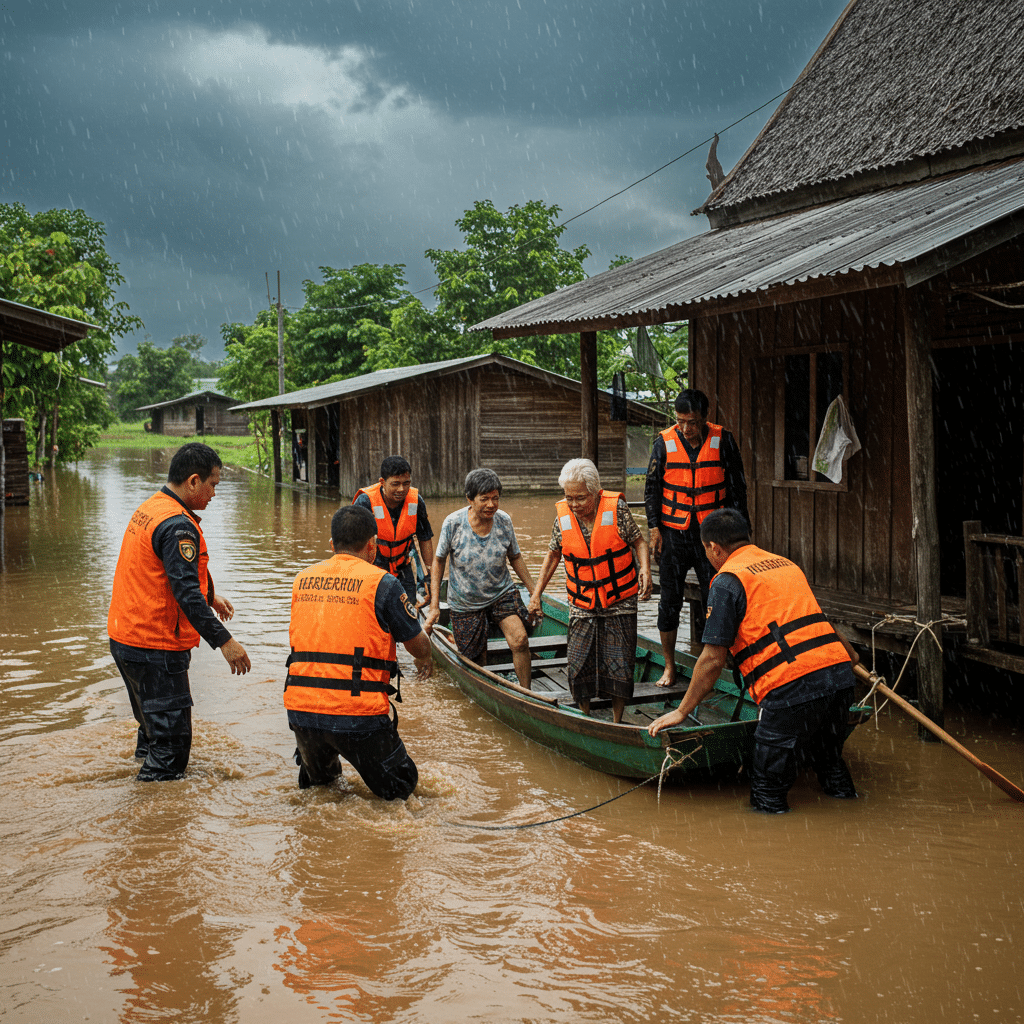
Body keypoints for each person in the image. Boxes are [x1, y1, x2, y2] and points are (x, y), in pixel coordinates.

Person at [647, 508, 859, 814]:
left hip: (791, 687)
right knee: (829, 763)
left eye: (707, 551)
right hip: (838, 679)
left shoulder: (727, 580)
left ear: (713, 548)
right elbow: (818, 617)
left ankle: (769, 847)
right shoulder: (785, 564)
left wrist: (682, 711)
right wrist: (849, 656)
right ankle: (851, 820)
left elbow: (712, 660)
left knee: (767, 793)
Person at [108, 442, 251, 782]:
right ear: (193, 481)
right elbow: (185, 591)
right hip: (155, 646)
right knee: (172, 749)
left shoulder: (152, 507)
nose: (214, 493)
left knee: (153, 733)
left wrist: (211, 595)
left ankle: (142, 782)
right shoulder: (179, 526)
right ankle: (155, 827)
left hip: (126, 639)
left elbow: (167, 572)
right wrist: (224, 641)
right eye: (213, 484)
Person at [284, 504, 433, 799]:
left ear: (332, 545)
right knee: (401, 792)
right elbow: (417, 646)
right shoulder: (383, 583)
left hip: (302, 710)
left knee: (322, 792)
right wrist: (427, 653)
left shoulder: (302, 579)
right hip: (357, 713)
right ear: (372, 546)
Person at [527, 459, 652, 723]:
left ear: (596, 491)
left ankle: (617, 720)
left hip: (619, 599)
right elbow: (552, 556)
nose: (574, 504)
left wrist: (645, 570)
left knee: (619, 661)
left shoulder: (616, 508)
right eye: (569, 497)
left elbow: (639, 541)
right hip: (582, 600)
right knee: (579, 662)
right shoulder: (563, 515)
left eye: (580, 498)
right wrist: (536, 594)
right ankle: (585, 717)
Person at [645, 387, 748, 688]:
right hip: (673, 535)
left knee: (716, 599)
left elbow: (737, 489)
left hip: (712, 538)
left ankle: (714, 662)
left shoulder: (723, 440)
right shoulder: (663, 443)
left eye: (692, 422)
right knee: (669, 602)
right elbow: (651, 489)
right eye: (681, 422)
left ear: (704, 419)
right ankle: (668, 665)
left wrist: (739, 536)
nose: (686, 429)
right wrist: (654, 528)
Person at [423, 468, 537, 690]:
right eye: (484, 499)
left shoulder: (503, 521)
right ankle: (488, 693)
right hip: (465, 601)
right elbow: (438, 562)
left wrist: (535, 592)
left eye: (495, 498)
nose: (491, 505)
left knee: (520, 640)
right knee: (477, 660)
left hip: (500, 592)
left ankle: (527, 694)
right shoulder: (453, 523)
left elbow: (515, 557)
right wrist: (435, 606)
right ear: (469, 499)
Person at [352, 455, 434, 606]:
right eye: (395, 484)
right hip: (374, 568)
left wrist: (429, 577)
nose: (401, 489)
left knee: (407, 612)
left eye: (406, 483)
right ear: (382, 482)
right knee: (375, 613)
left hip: (403, 567)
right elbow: (352, 544)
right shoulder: (365, 502)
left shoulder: (416, 502)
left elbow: (425, 538)